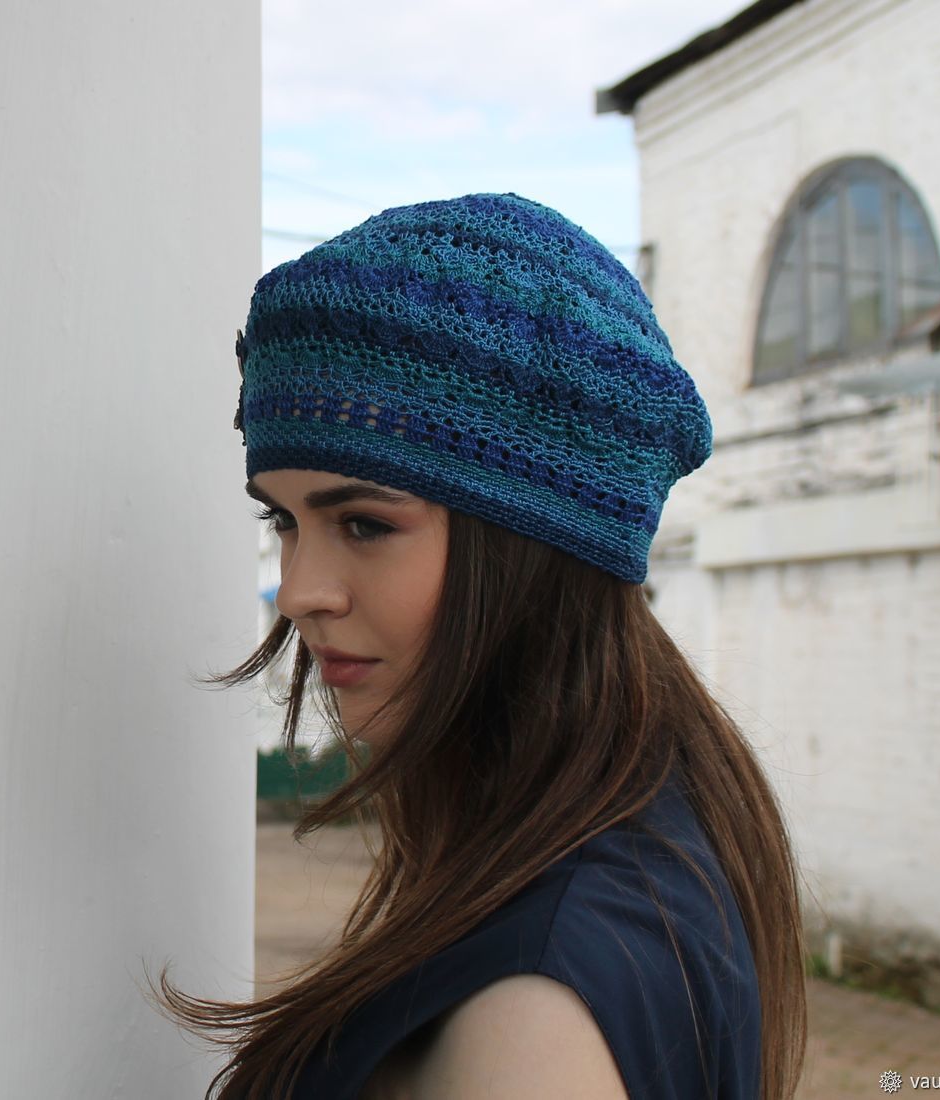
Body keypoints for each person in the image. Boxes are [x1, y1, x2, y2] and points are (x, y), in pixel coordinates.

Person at [149, 192, 807, 1099]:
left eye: (365, 524)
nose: (299, 591)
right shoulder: (627, 839)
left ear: (532, 550)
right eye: (284, 521)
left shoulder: (532, 1020)